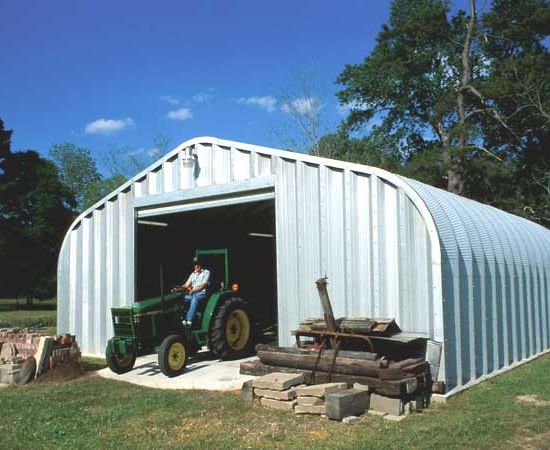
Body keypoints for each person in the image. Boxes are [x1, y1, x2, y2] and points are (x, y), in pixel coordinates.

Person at [171, 256, 210, 326]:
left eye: (198, 264)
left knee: (194, 299)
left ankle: (189, 320)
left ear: (201, 265)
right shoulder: (193, 274)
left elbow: (203, 286)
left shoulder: (206, 272)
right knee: (182, 297)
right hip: (193, 294)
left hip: (202, 293)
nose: (196, 266)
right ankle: (181, 318)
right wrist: (178, 289)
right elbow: (186, 285)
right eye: (195, 264)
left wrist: (193, 291)